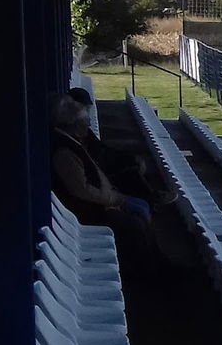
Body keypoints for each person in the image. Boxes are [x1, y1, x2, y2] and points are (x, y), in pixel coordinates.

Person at [49, 94, 159, 270]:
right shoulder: (64, 151)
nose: (88, 125)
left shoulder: (73, 141)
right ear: (73, 124)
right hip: (88, 211)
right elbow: (82, 189)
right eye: (85, 121)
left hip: (98, 203)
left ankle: (157, 261)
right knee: (134, 223)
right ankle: (147, 269)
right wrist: (114, 199)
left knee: (141, 206)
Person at [66, 88, 174, 205]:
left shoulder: (82, 132)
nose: (88, 118)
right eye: (85, 109)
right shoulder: (71, 139)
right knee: (130, 169)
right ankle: (150, 197)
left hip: (101, 164)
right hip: (100, 172)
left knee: (134, 162)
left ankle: (150, 196)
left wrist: (131, 157)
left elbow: (101, 148)